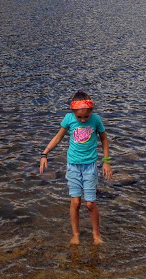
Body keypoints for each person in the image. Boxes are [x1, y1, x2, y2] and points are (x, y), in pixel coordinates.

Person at [39, 90, 112, 245]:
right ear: (73, 112)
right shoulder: (69, 119)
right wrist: (45, 153)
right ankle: (76, 234)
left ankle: (96, 235)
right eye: (80, 117)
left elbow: (104, 140)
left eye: (86, 116)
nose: (83, 120)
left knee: (90, 203)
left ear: (92, 111)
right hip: (73, 166)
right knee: (75, 202)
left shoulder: (96, 120)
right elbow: (58, 137)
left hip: (90, 167)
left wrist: (106, 161)